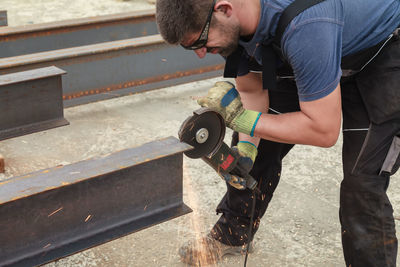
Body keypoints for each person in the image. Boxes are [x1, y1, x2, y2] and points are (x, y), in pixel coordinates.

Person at [156, 0, 400, 266]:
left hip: (381, 53)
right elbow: (252, 89)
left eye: (199, 43)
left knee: (362, 184)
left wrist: (242, 119)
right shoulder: (233, 26)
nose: (201, 53)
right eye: (189, 47)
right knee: (257, 140)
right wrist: (248, 148)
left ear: (224, 9)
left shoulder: (305, 26)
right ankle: (234, 232)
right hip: (321, 48)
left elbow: (323, 130)